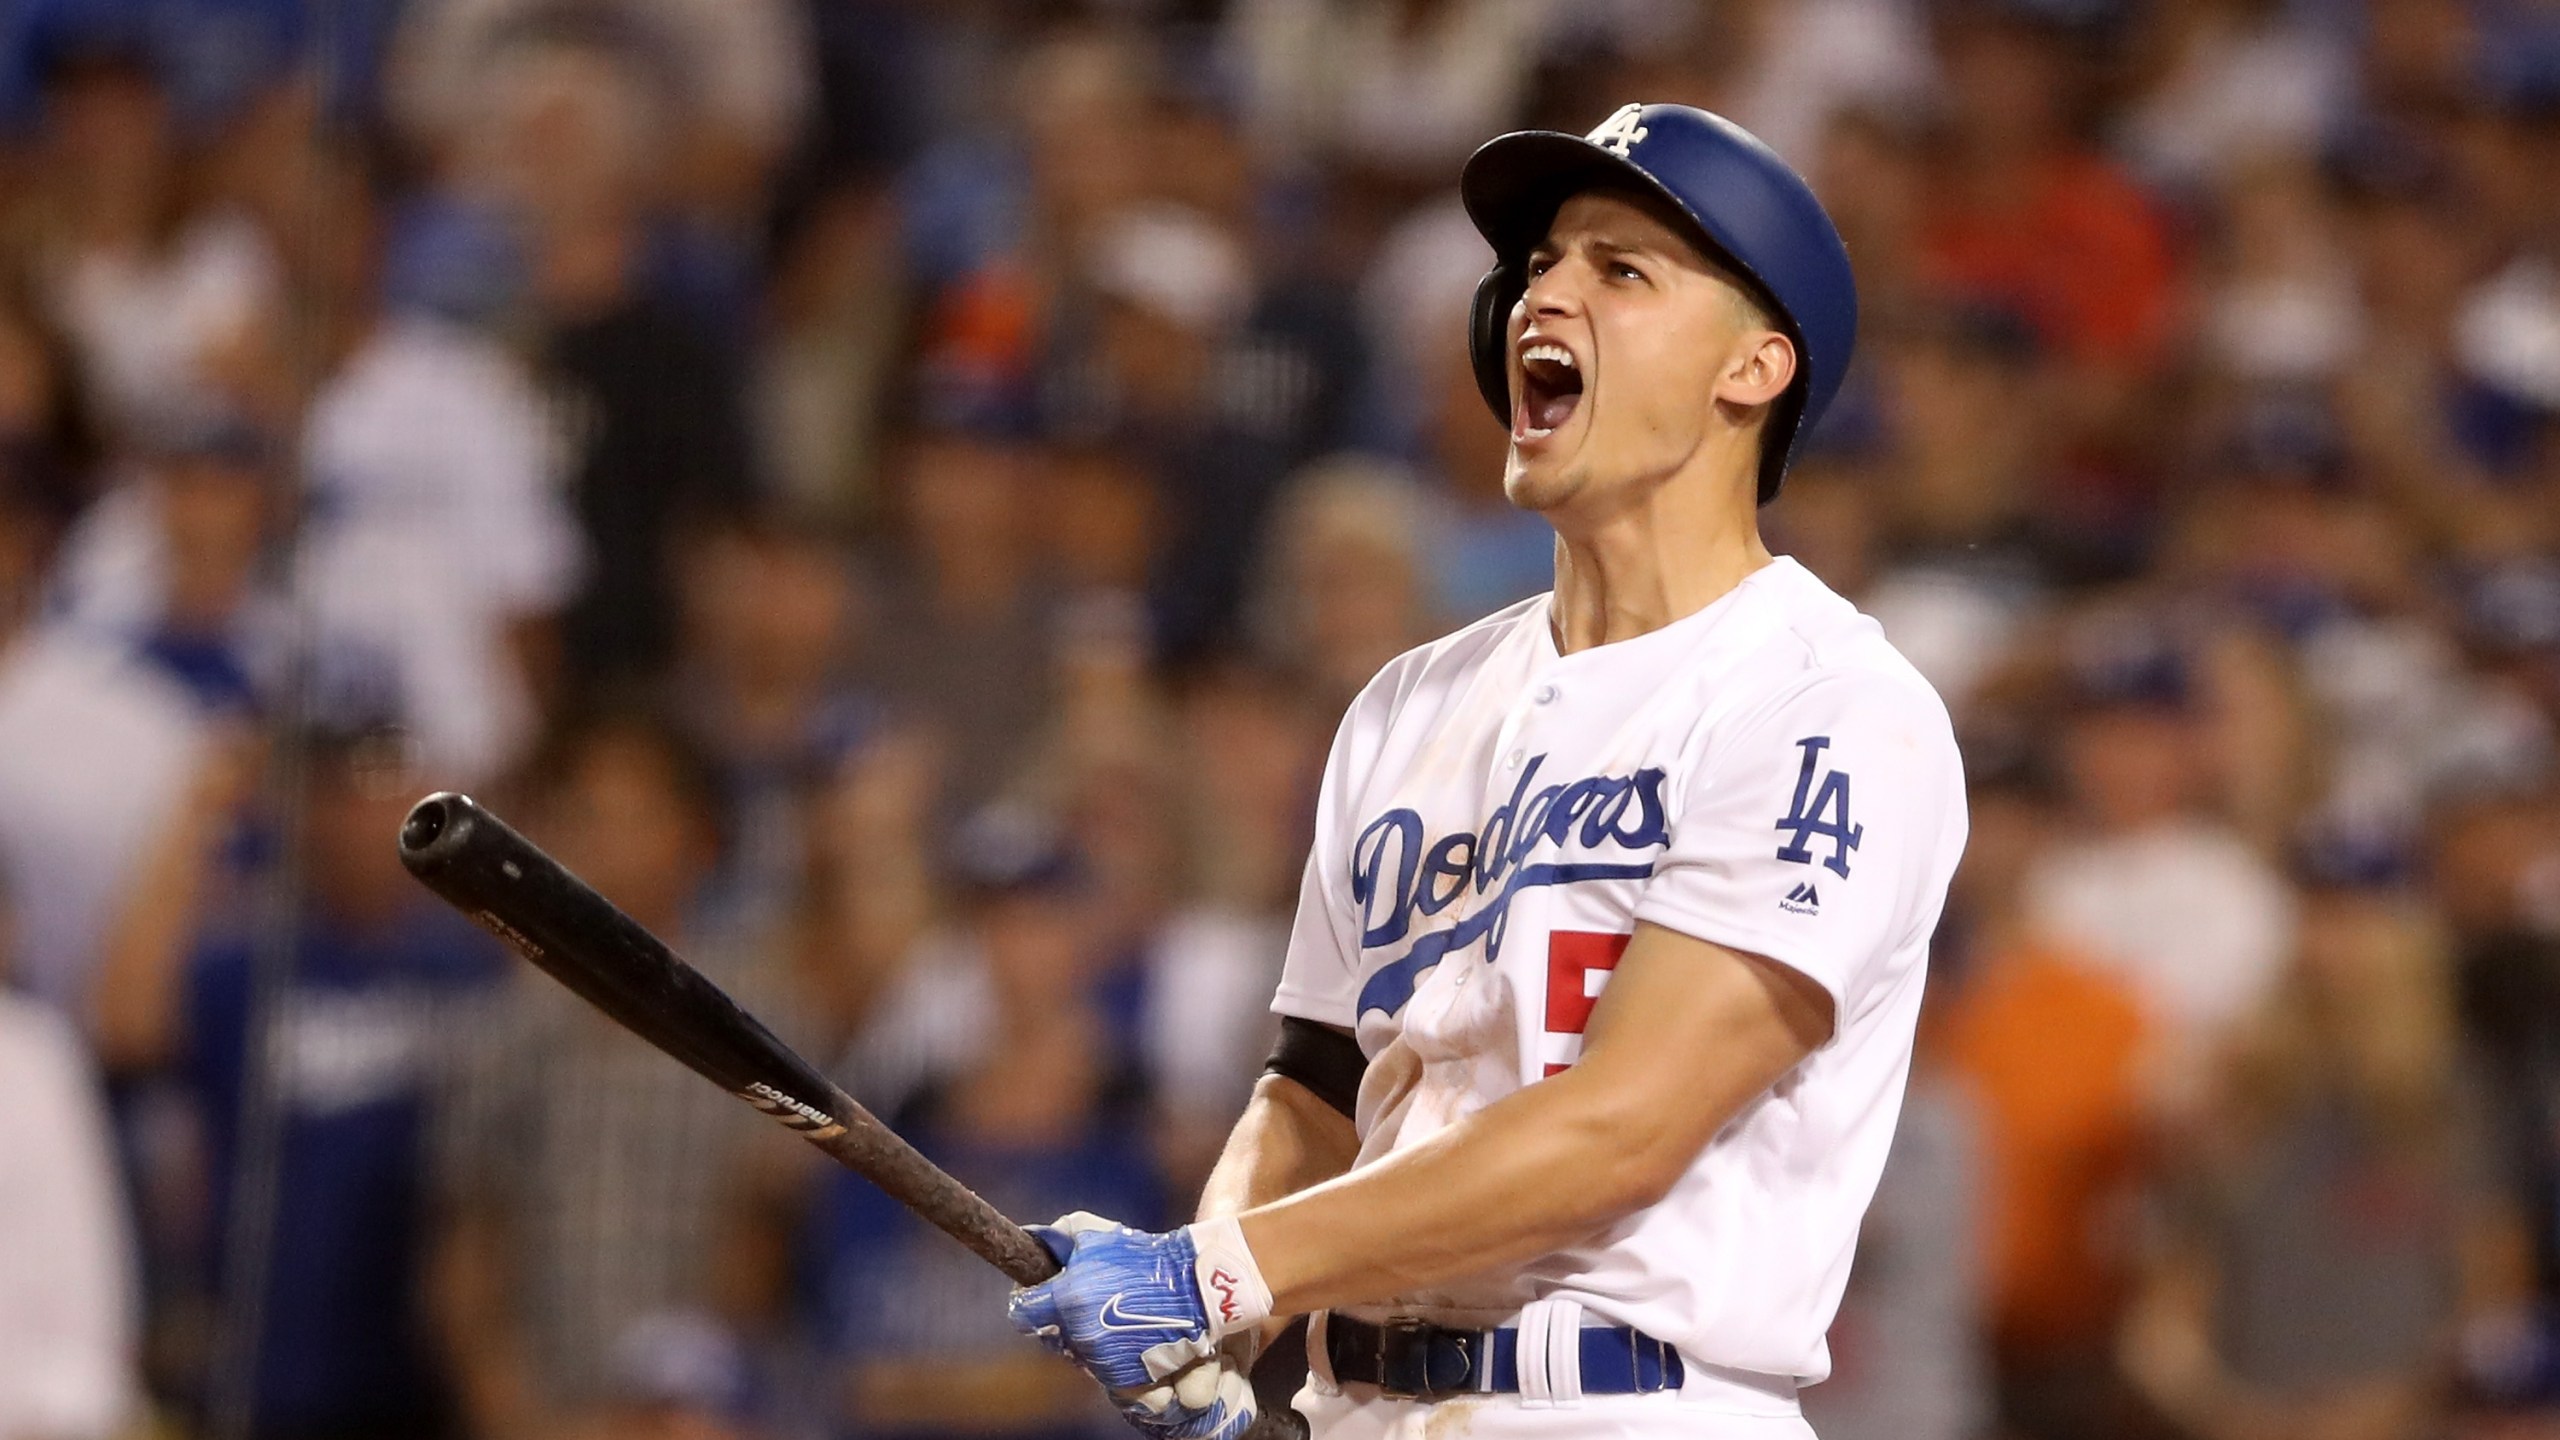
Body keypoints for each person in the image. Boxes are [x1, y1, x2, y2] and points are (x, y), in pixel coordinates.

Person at [1007, 103, 1968, 1440]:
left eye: (1619, 270)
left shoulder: (1828, 704)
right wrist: (1222, 1307)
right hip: (1359, 1408)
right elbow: (1319, 1091)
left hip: (1635, 1406)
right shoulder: (1411, 702)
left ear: (1752, 368)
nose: (1540, 294)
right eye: (1539, 263)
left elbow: (1622, 1126)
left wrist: (1224, 1268)